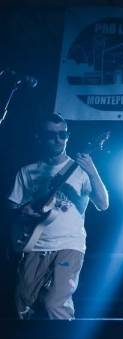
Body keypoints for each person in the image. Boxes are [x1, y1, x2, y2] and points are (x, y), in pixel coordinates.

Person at [9, 112, 109, 319]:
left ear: (68, 136)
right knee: (23, 301)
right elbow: (11, 206)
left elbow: (103, 204)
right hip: (35, 244)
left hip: (69, 244)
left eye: (62, 134)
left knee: (55, 303)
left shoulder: (81, 170)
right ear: (39, 137)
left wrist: (92, 171)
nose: (58, 140)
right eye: (51, 135)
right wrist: (23, 211)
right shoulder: (27, 171)